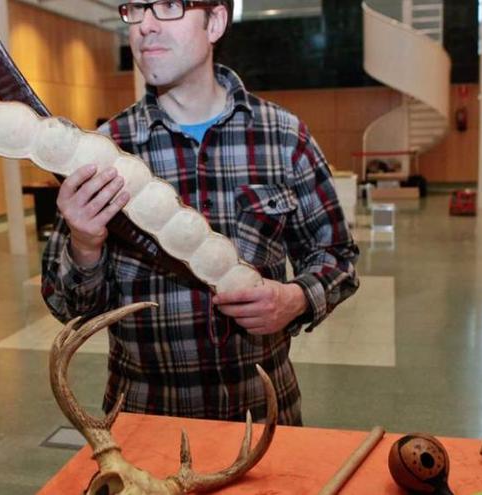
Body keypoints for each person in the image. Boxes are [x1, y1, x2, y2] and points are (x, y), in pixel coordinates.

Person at [41, 0, 358, 426]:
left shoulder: (283, 137)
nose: (145, 26)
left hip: (265, 420)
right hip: (146, 426)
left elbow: (336, 256)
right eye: (135, 8)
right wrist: (84, 244)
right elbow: (69, 307)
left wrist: (295, 299)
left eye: (168, 6)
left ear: (215, 22)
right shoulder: (103, 151)